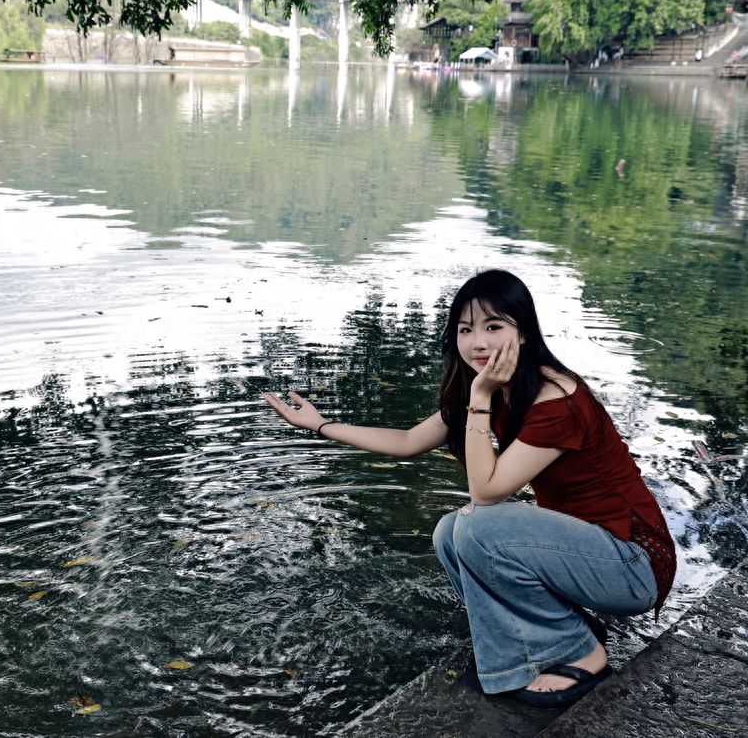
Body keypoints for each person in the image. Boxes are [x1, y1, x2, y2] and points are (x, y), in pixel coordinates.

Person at [262, 269, 675, 708]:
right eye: (465, 330)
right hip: (585, 555)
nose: (478, 343)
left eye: (493, 326)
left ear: (524, 331)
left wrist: (480, 399)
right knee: (448, 533)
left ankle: (580, 653)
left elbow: (487, 492)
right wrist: (321, 425)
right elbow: (408, 442)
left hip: (633, 563)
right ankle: (556, 631)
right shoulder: (498, 386)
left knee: (478, 526)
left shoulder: (556, 398)